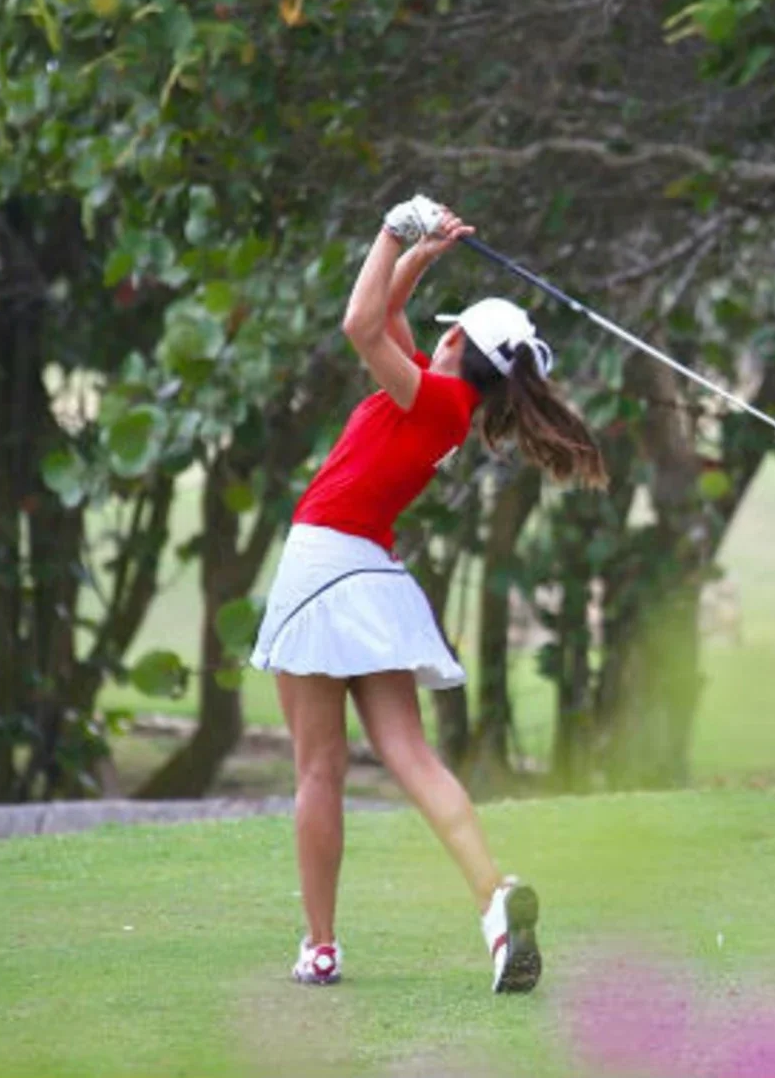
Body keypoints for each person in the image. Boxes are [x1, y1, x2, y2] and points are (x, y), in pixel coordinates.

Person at [249, 195, 607, 990]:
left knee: (318, 771)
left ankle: (321, 947)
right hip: (372, 574)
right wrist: (424, 251)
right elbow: (389, 312)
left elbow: (359, 324)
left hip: (323, 566)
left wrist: (390, 225)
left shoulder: (429, 395)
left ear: (455, 341)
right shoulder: (446, 402)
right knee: (410, 755)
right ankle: (494, 900)